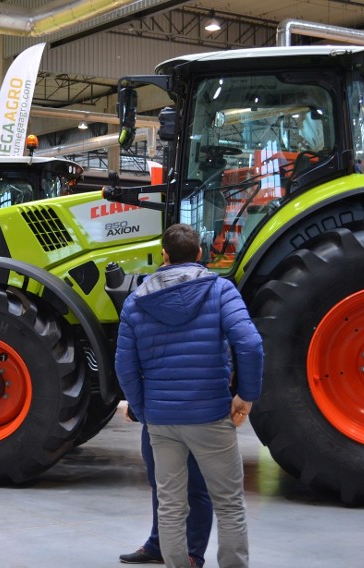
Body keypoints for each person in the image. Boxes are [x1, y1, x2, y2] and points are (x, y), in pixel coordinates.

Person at [115, 224, 263, 568]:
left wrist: (144, 410)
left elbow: (124, 366)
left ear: (164, 255)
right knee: (228, 503)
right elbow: (251, 343)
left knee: (169, 504)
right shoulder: (221, 290)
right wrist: (246, 396)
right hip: (210, 415)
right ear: (200, 255)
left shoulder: (136, 301)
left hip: (162, 422)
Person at [120, 405, 212, 567]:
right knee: (160, 482)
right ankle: (159, 545)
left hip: (197, 412)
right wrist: (137, 406)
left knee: (196, 486)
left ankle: (193, 554)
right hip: (156, 412)